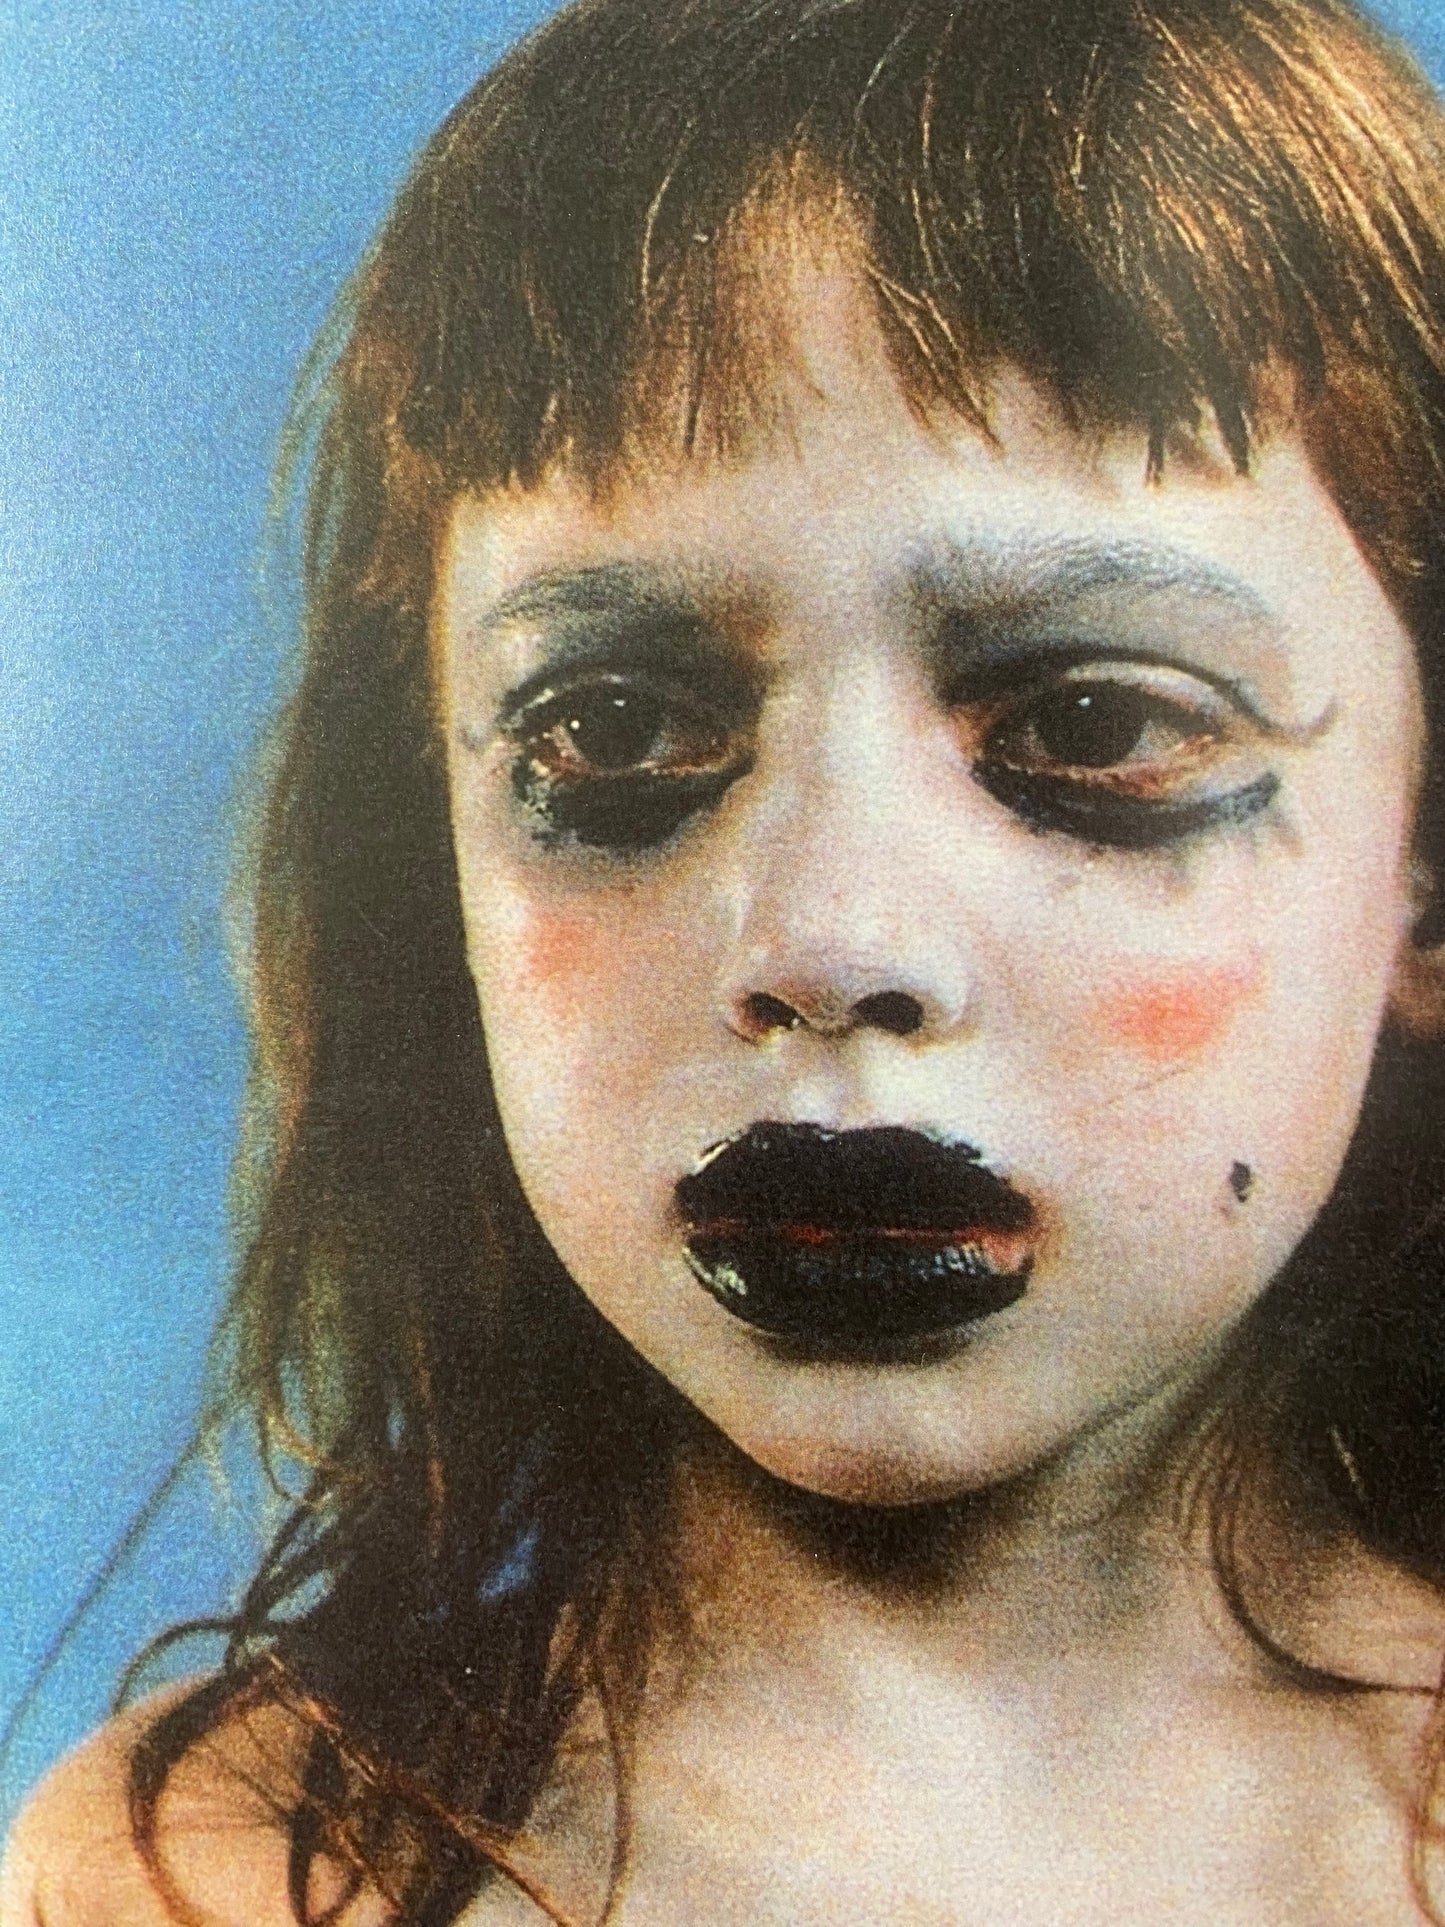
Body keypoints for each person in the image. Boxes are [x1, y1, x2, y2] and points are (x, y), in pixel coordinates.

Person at [10, 0, 1445, 1919]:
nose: (825, 943)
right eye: (608, 733)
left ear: (1422, 871)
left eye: (1092, 726)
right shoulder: (210, 1884)